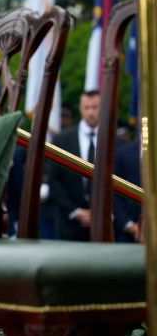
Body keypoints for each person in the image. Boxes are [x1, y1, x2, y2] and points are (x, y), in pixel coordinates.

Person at [48, 90, 100, 242]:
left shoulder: (114, 140)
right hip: (68, 223)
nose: (91, 112)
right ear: (80, 108)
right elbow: (54, 179)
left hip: (105, 224)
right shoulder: (62, 140)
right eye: (87, 107)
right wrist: (75, 211)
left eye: (95, 107)